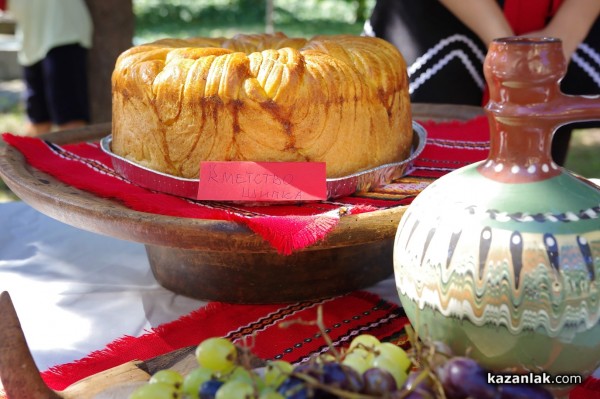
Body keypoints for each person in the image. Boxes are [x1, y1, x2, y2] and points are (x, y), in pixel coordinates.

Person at [363, 0, 600, 166]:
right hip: (442, 26)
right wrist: (508, 47)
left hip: (560, 18)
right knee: (423, 169)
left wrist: (561, 38)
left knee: (538, 185)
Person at [7, 0, 93, 136]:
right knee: (38, 119)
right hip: (31, 43)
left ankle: (73, 157)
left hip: (64, 34)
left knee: (69, 119)